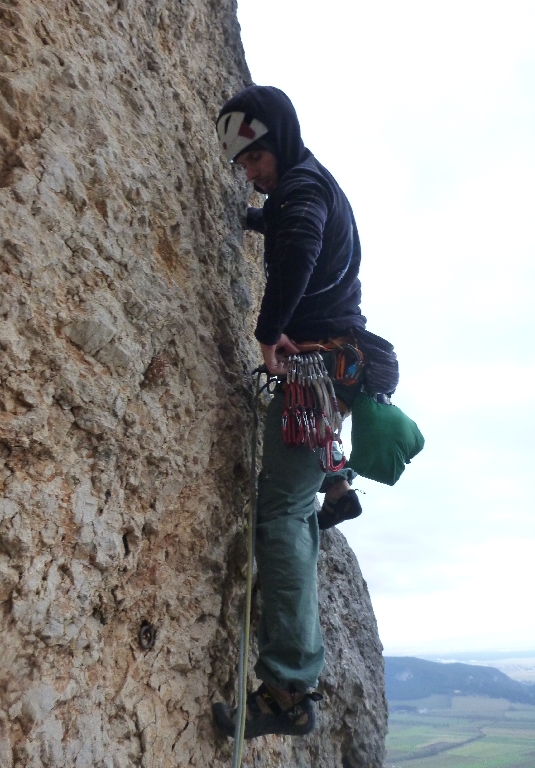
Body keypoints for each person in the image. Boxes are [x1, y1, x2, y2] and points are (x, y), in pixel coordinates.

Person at [212, 85, 395, 739]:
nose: (251, 174)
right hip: (336, 364)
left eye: (256, 159)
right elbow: (296, 231)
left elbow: (302, 247)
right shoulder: (307, 188)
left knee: (282, 513)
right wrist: (259, 220)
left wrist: (268, 332)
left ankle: (287, 692)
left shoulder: (303, 195)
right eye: (245, 165)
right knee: (296, 511)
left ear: (279, 141)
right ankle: (334, 485)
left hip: (312, 367)